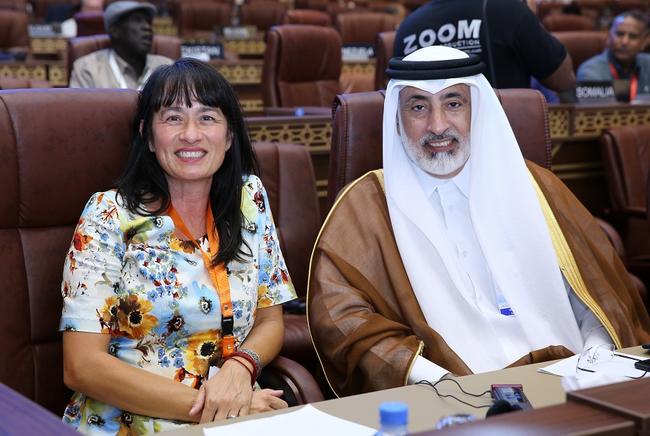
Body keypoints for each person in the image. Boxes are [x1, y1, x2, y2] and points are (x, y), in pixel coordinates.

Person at [307, 45, 650, 397]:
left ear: (477, 109)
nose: (437, 125)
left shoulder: (535, 187)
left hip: (567, 378)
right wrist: (432, 379)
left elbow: (594, 290)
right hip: (449, 392)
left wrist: (596, 353)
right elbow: (342, 318)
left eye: (453, 104)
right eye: (418, 107)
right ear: (397, 117)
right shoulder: (365, 205)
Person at [60, 58, 296, 434]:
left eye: (207, 118)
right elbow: (81, 366)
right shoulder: (108, 215)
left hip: (236, 415)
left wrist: (242, 365)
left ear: (229, 135)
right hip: (129, 421)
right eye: (172, 118)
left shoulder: (249, 199)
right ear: (149, 136)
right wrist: (215, 406)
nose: (191, 133)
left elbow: (270, 320)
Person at [393, 0, 576, 92]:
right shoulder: (508, 9)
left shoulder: (407, 26)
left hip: (430, 148)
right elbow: (563, 80)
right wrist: (530, 17)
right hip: (500, 146)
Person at [69, 1, 173, 90]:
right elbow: (81, 113)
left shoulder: (167, 67)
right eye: (137, 21)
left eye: (148, 22)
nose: (147, 27)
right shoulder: (87, 69)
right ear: (115, 31)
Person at [577, 11, 650, 101]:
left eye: (633, 36)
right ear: (609, 36)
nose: (624, 42)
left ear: (645, 41)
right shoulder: (590, 71)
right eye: (619, 34)